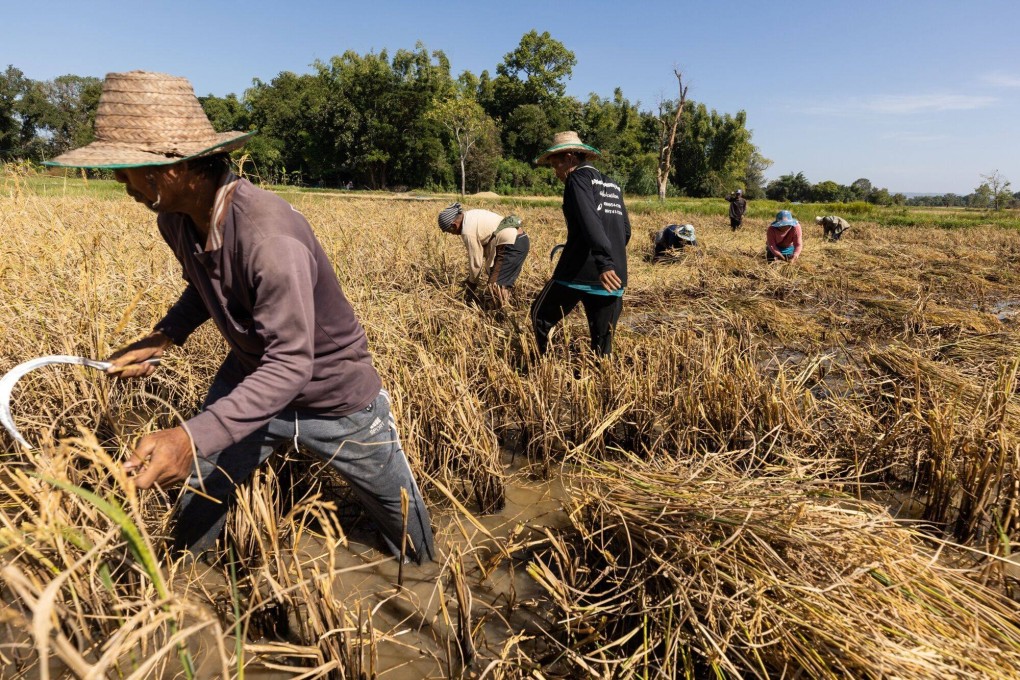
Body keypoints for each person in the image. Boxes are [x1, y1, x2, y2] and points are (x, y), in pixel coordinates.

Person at [44, 71, 434, 564]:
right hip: (251, 379)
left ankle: (424, 574)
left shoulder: (269, 239)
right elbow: (204, 285)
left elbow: (293, 365)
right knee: (200, 503)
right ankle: (183, 582)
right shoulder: (177, 219)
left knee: (407, 529)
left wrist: (191, 437)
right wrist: (166, 335)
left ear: (172, 169)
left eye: (125, 171)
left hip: (337, 397)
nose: (122, 185)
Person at [530, 131, 631, 357]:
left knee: (540, 316)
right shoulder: (613, 185)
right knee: (602, 342)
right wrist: (610, 261)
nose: (555, 172)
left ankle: (541, 364)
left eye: (555, 164)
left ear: (569, 158)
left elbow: (589, 220)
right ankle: (602, 385)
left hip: (579, 271)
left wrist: (602, 262)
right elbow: (625, 231)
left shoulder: (577, 179)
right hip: (614, 276)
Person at [437, 203, 530, 307]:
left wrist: (471, 287)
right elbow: (490, 249)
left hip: (512, 245)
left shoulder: (467, 231)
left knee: (495, 287)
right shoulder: (470, 216)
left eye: (450, 232)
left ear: (454, 225)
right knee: (499, 282)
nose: (453, 234)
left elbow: (476, 263)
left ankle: (503, 315)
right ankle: (508, 305)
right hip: (520, 240)